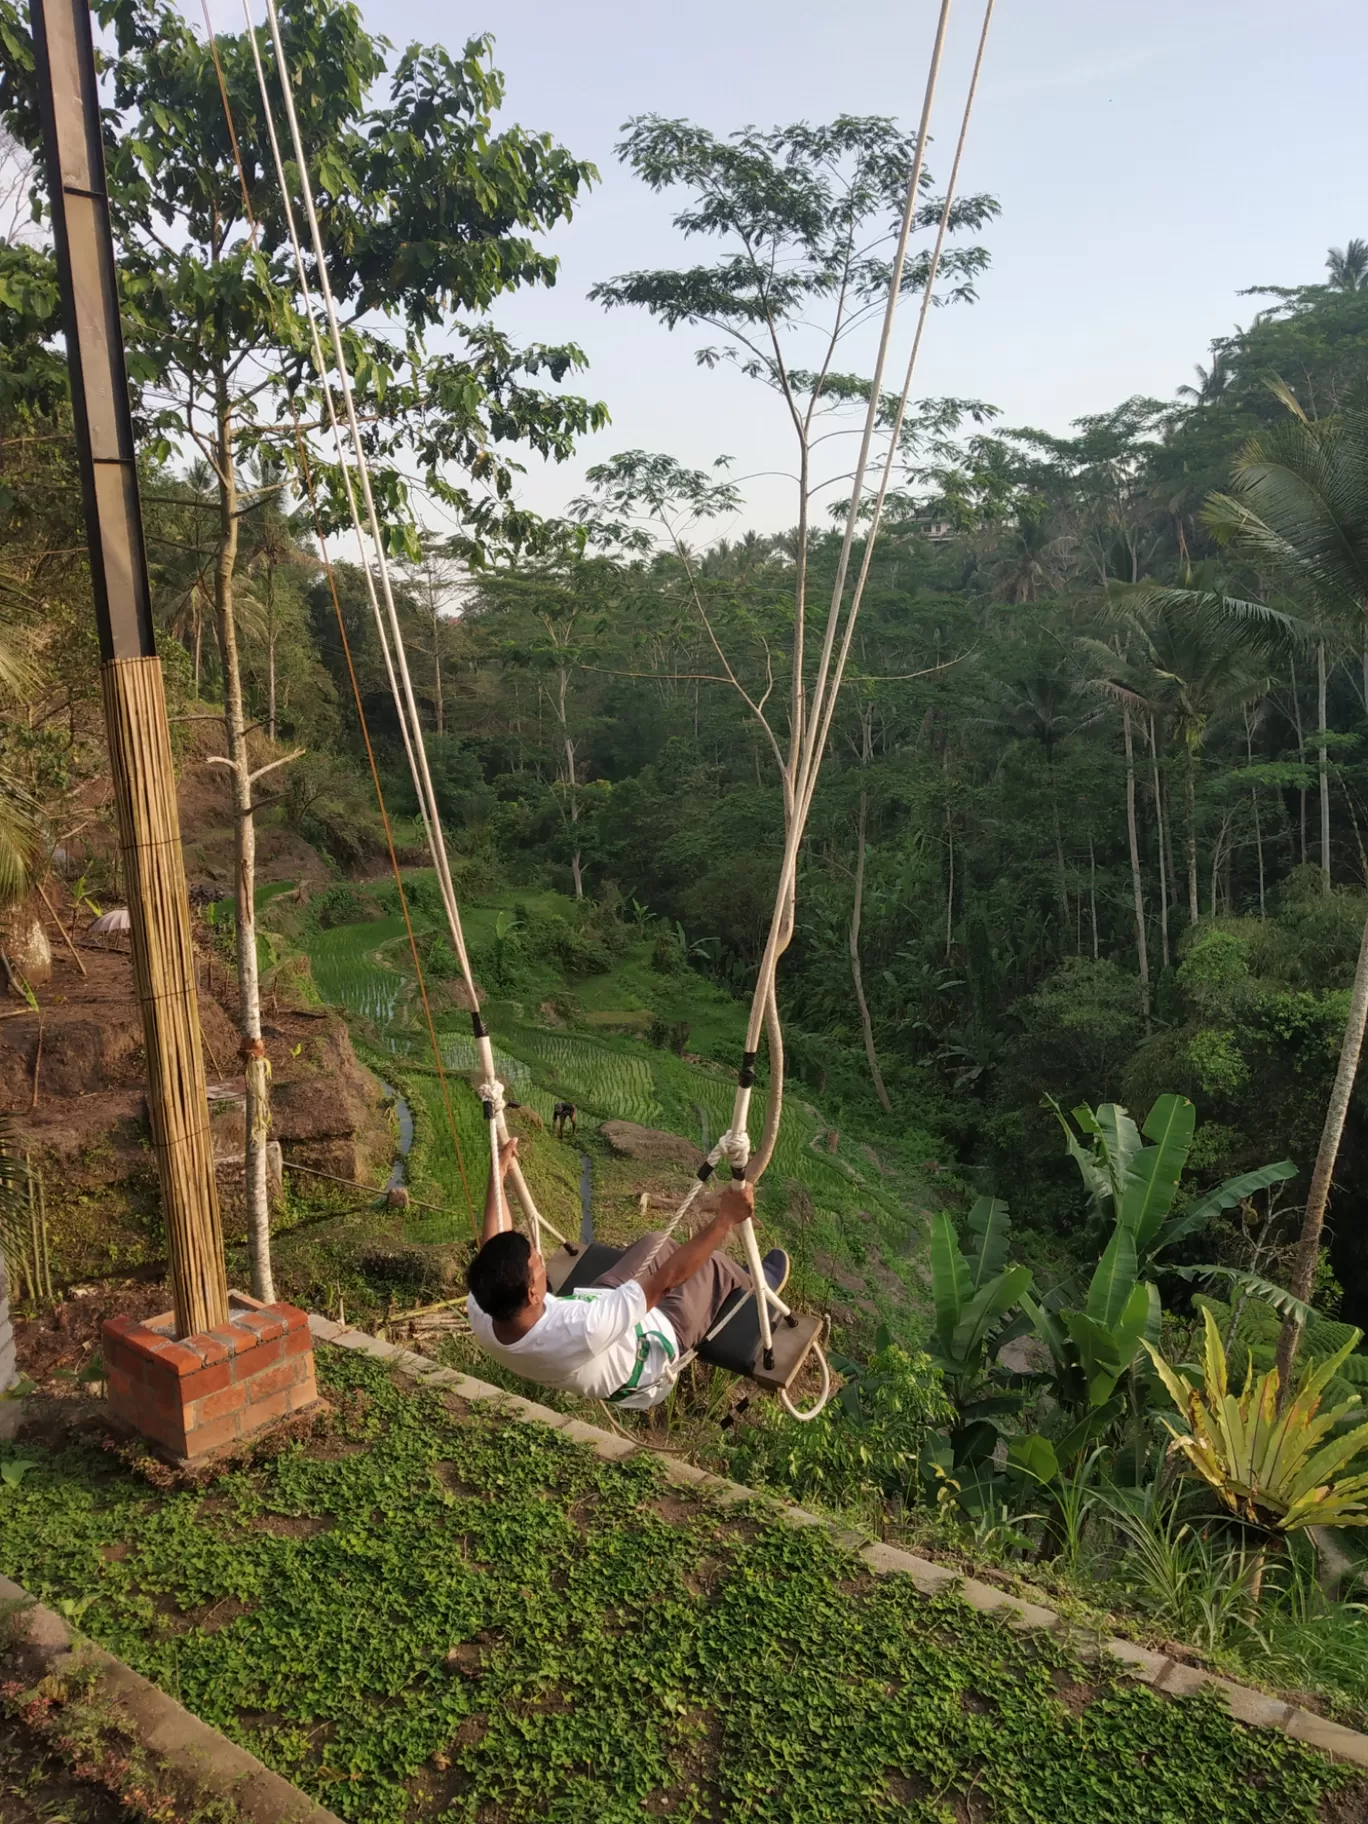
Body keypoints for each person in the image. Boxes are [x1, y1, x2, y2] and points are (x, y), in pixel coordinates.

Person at [466, 1137, 789, 1410]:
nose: (540, 1256)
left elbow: (493, 1243)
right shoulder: (582, 1328)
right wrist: (725, 1220)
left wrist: (500, 1172)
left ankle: (730, 1275)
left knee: (655, 1243)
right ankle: (756, 1284)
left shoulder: (484, 1304)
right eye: (537, 1262)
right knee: (714, 1266)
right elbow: (664, 1283)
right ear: (532, 1293)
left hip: (597, 1303)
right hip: (649, 1353)